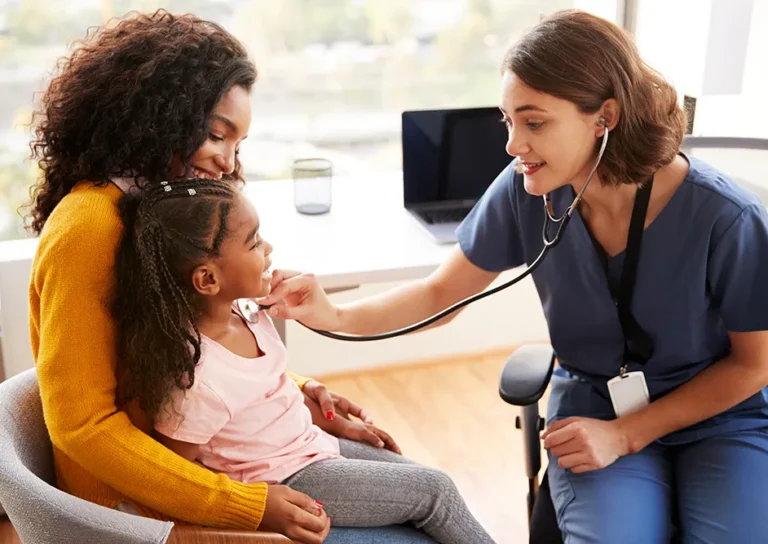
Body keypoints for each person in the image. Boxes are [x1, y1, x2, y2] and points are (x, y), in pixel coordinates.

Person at [257, 9, 768, 544]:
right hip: (595, 405)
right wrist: (330, 314)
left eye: (535, 122)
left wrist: (629, 433)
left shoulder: (724, 217)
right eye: (508, 120)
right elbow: (440, 294)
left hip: (719, 416)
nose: (512, 145)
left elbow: (754, 363)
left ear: (605, 117)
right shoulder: (529, 192)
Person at [26, 10, 433, 544]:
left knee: (419, 498)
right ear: (160, 115)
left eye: (237, 145)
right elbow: (84, 428)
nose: (226, 162)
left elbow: (193, 365)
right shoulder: (89, 227)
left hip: (205, 465)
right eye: (218, 135)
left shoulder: (156, 214)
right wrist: (245, 505)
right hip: (135, 513)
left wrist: (302, 393)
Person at [109, 177, 495, 544]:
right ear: (208, 280)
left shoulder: (247, 312)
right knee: (436, 490)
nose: (269, 249)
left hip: (312, 445)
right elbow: (178, 474)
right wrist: (255, 511)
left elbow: (271, 396)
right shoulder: (200, 381)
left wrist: (333, 421)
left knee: (424, 482)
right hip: (288, 477)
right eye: (254, 243)